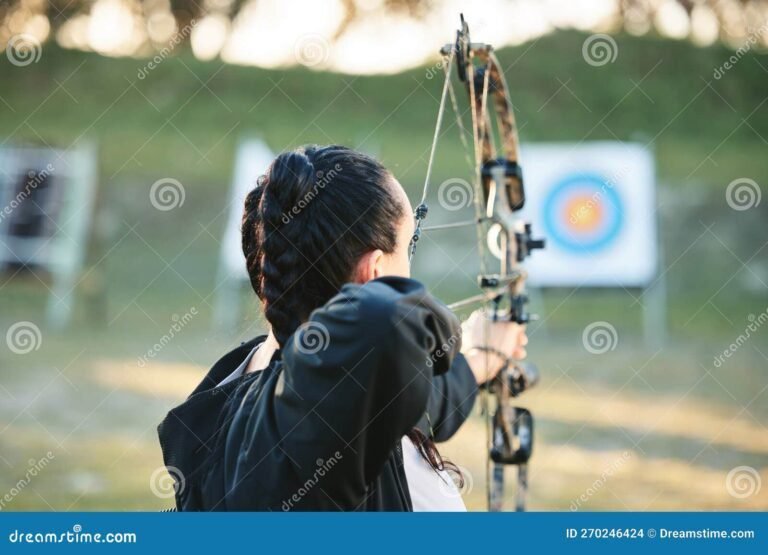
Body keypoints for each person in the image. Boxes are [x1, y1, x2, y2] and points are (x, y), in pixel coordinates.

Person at [157, 145, 527, 511]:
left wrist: (475, 363)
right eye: (408, 243)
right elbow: (374, 347)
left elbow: (387, 392)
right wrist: (456, 345)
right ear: (375, 271)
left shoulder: (232, 385)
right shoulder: (330, 396)